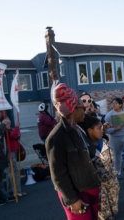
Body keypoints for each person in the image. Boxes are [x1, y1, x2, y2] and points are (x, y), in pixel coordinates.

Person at [46, 84, 100, 220]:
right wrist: (72, 199)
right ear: (73, 110)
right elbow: (58, 175)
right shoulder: (56, 137)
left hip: (91, 186)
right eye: (82, 107)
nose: (85, 109)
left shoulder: (80, 128)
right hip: (76, 192)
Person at [78, 115, 119, 220]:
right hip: (98, 185)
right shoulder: (85, 148)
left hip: (111, 180)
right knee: (104, 213)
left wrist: (114, 178)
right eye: (99, 128)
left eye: (103, 127)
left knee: (114, 208)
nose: (103, 130)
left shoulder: (104, 141)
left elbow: (111, 160)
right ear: (90, 130)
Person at [4, 119, 27, 197]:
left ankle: (10, 189)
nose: (9, 121)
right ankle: (17, 191)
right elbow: (13, 136)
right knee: (14, 172)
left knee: (9, 172)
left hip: (12, 150)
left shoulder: (9, 128)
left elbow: (16, 136)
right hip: (10, 152)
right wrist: (17, 127)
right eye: (7, 119)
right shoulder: (5, 129)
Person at [0, 117, 15, 206]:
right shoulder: (0, 124)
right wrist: (3, 125)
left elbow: (4, 136)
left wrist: (7, 128)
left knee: (0, 179)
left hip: (1, 154)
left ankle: (4, 196)